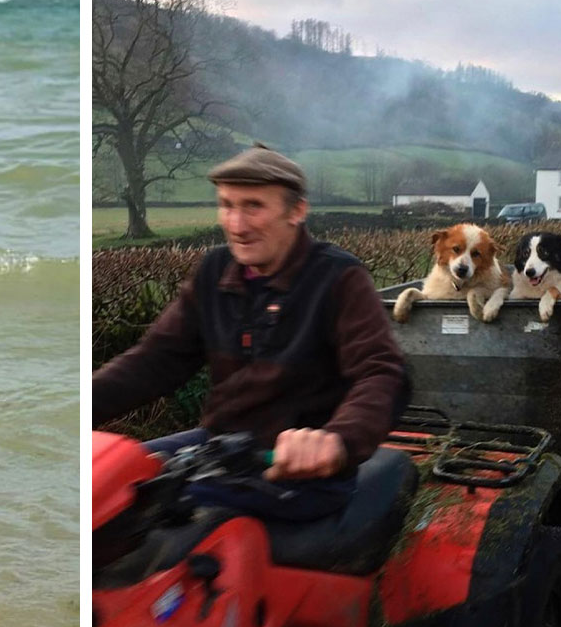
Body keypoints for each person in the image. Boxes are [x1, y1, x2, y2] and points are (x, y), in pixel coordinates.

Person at [92, 143, 409, 521]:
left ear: (297, 211)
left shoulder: (338, 278)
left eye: (253, 206)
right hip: (220, 448)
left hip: (299, 473)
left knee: (152, 518)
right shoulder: (215, 270)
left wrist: (336, 440)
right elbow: (155, 360)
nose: (237, 226)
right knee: (107, 482)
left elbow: (381, 372)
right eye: (227, 205)